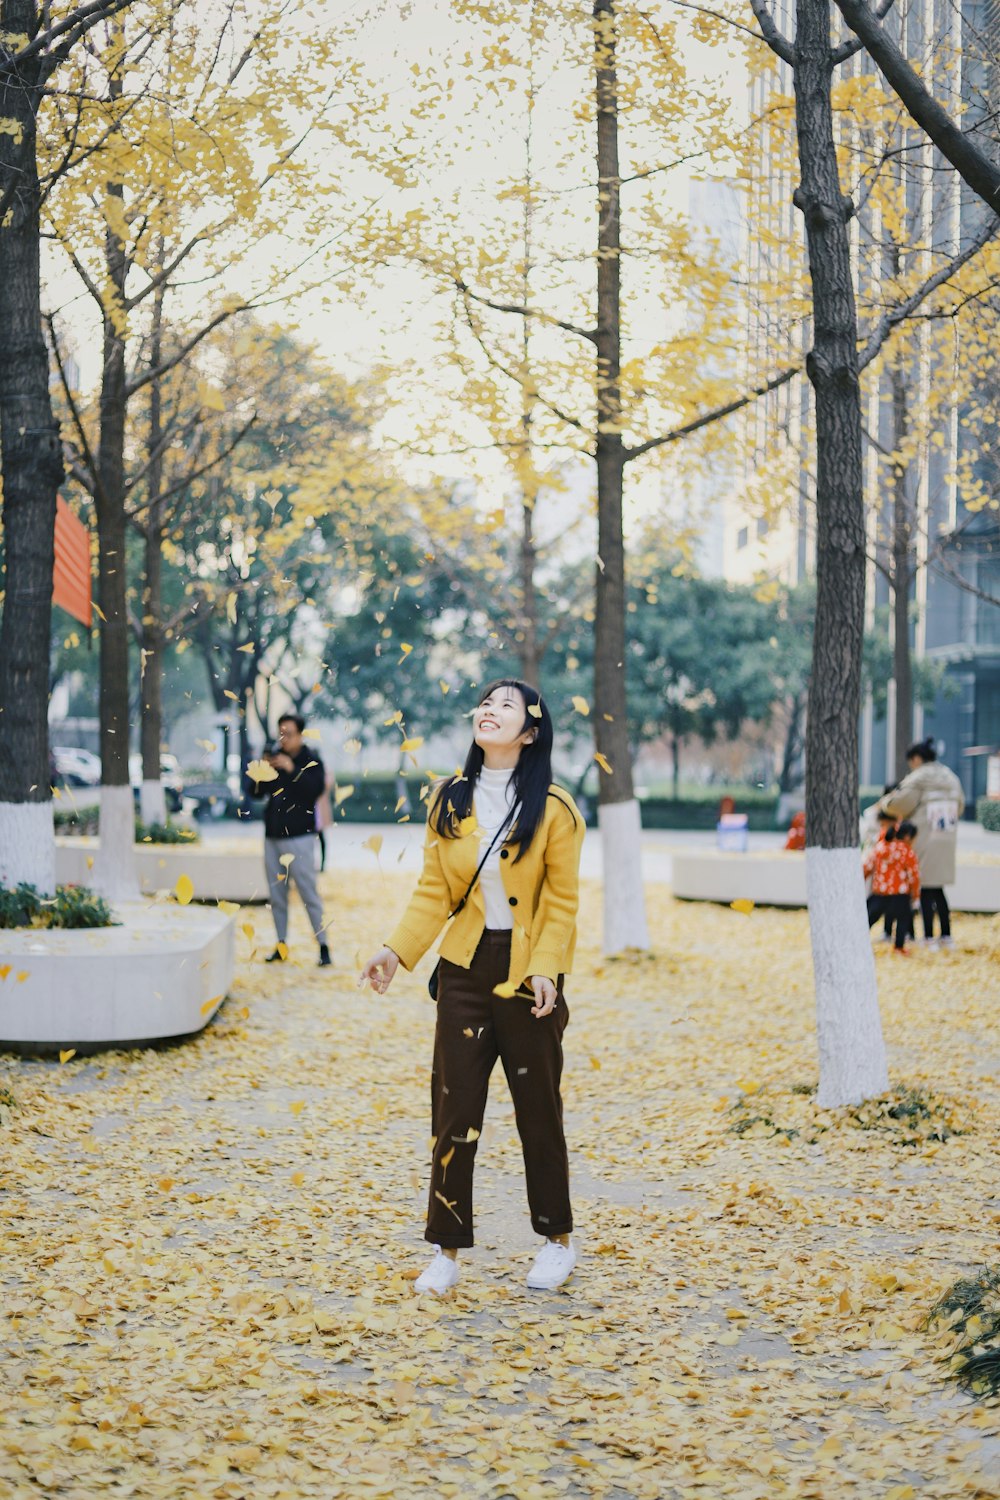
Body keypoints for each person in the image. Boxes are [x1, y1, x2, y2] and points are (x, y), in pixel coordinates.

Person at [359, 678, 585, 1296]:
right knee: (453, 1112)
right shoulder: (449, 800)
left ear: (531, 732)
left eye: (506, 705)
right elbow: (434, 892)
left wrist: (546, 968)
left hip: (529, 971)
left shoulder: (556, 809)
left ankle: (556, 1239)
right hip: (463, 969)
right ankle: (446, 1250)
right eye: (486, 702)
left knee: (537, 1108)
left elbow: (561, 902)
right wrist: (396, 950)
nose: (490, 710)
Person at [245, 713, 331, 967]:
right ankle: (281, 944)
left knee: (308, 893)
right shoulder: (273, 757)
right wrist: (262, 769)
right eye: (281, 733)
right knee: (277, 895)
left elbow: (314, 791)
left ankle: (323, 946)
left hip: (300, 838)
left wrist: (293, 769)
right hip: (272, 836)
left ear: (300, 734)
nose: (284, 739)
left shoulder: (310, 760)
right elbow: (254, 792)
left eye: (289, 734)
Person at [880, 737, 965, 950]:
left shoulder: (918, 778)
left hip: (924, 838)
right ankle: (946, 936)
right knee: (938, 889)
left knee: (925, 888)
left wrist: (885, 801)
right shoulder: (950, 777)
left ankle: (928, 937)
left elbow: (898, 804)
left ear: (916, 758)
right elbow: (961, 806)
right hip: (945, 837)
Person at [864, 821, 920, 954]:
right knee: (903, 919)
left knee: (868, 920)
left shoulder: (880, 847)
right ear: (907, 836)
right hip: (899, 894)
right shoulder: (906, 851)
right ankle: (899, 947)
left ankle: (856, 942)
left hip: (880, 892)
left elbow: (867, 867)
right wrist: (916, 895)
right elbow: (914, 876)